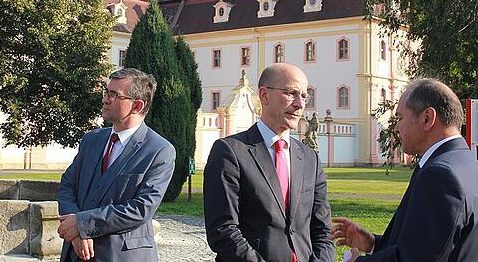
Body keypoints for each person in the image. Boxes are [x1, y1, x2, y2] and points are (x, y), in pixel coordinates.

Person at [332, 78, 478, 261]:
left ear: (427, 119)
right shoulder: (466, 161)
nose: (396, 128)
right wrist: (374, 244)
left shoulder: (439, 174)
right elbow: (431, 244)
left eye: (400, 118)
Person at [204, 63, 335, 262]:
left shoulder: (310, 158)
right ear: (264, 95)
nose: (300, 104)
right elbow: (223, 230)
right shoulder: (230, 152)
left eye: (304, 96)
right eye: (291, 93)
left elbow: (323, 231)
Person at [57, 68, 176, 262]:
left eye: (114, 95)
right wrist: (76, 232)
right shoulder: (91, 140)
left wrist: (82, 224)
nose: (105, 99)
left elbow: (141, 209)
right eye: (106, 92)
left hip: (121, 255)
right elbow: (67, 185)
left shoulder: (159, 150)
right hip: (76, 253)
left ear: (137, 105)